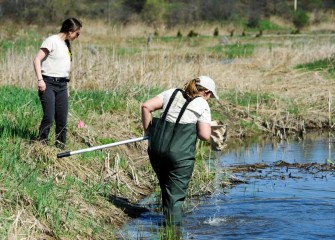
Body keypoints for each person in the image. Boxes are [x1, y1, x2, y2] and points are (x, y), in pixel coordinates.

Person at [141, 76, 219, 231]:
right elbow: (204, 135)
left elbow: (146, 106)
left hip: (156, 150)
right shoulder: (202, 103)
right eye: (210, 96)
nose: (209, 99)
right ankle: (173, 231)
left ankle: (166, 225)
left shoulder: (172, 92)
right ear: (206, 92)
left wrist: (149, 132)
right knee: (174, 196)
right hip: (179, 155)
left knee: (166, 189)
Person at [33, 17, 82, 148]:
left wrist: (66, 87)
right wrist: (40, 80)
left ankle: (60, 147)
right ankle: (41, 145)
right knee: (49, 117)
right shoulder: (52, 41)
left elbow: (63, 69)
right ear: (70, 31)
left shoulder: (66, 44)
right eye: (78, 33)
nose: (78, 36)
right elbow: (37, 60)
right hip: (48, 83)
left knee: (62, 120)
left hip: (62, 86)